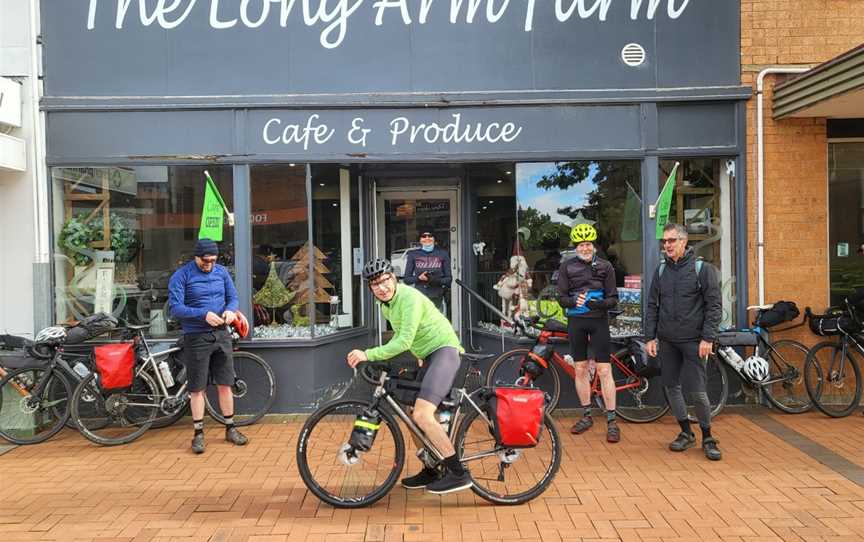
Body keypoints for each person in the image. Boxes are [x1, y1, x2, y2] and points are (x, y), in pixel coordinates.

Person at [346, 258, 470, 494]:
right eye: (375, 284)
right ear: (370, 288)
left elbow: (403, 340)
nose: (382, 288)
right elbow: (407, 336)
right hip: (428, 356)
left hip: (444, 351)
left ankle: (458, 473)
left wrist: (368, 354)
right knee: (412, 415)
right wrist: (419, 356)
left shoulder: (408, 297)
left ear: (393, 278)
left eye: (385, 281)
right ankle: (432, 468)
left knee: (423, 415)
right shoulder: (387, 305)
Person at [645, 223, 722, 461]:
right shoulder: (660, 272)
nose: (667, 245)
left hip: (694, 341)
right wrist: (650, 337)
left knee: (698, 392)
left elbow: (714, 306)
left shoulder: (702, 270)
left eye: (672, 240)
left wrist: (708, 337)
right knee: (671, 388)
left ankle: (708, 436)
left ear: (684, 242)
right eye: (664, 241)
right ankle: (686, 432)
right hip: (668, 341)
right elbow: (651, 306)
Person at [168, 238, 248, 454]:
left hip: (221, 334)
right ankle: (198, 434)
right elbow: (176, 308)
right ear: (196, 257)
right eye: (205, 261)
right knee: (197, 389)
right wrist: (203, 315)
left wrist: (231, 310)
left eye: (213, 260)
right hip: (196, 337)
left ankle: (230, 428)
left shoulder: (221, 272)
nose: (209, 265)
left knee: (225, 383)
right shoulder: (181, 276)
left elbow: (233, 298)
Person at [557, 223, 621, 442]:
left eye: (588, 244)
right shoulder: (567, 267)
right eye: (581, 245)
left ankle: (612, 421)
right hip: (576, 322)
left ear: (593, 246)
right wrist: (574, 300)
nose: (585, 248)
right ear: (576, 247)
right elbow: (561, 298)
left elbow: (614, 298)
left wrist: (599, 304)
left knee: (604, 371)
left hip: (598, 322)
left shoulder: (606, 266)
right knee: (581, 369)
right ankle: (586, 415)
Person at [403, 231, 452, 313]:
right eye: (423, 236)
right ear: (420, 240)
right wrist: (419, 278)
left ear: (434, 239)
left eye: (430, 236)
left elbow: (449, 279)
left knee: (436, 323)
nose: (427, 238)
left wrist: (436, 280)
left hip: (437, 296)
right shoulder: (413, 254)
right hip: (420, 296)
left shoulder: (443, 254)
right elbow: (407, 280)